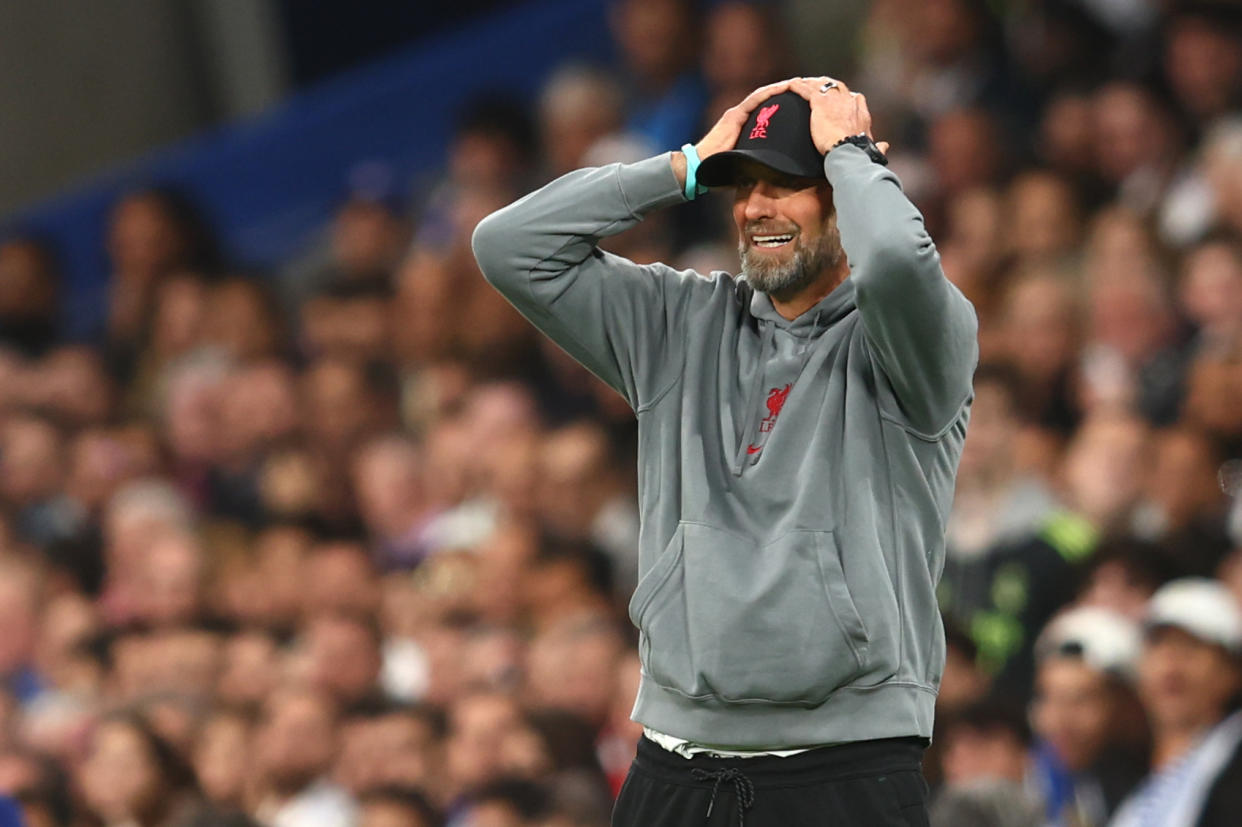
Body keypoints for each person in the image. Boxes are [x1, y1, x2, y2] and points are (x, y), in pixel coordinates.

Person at [474, 75, 977, 825]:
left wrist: (852, 153)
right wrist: (685, 166)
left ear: (844, 196)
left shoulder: (908, 337)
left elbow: (900, 262)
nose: (755, 209)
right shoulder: (681, 322)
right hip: (672, 767)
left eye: (787, 185)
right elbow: (510, 246)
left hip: (845, 768)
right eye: (743, 187)